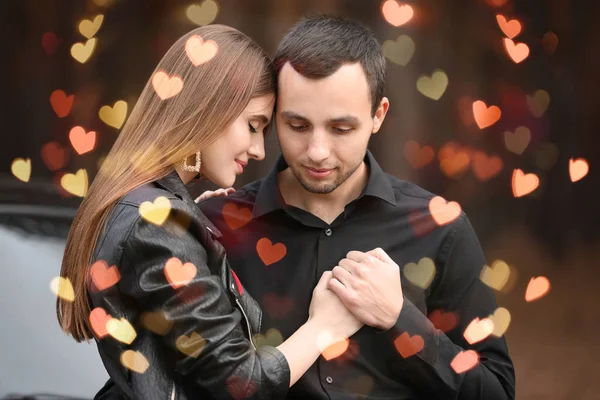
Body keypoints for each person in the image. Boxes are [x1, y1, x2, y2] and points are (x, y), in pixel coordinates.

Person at [197, 16, 516, 399]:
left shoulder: (440, 228)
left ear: (377, 115)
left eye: (341, 129)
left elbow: (496, 391)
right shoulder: (219, 226)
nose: (317, 151)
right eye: (297, 126)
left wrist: (400, 319)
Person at [56, 24, 363, 400]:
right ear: (209, 108)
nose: (258, 151)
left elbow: (158, 362)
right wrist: (324, 326)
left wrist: (192, 231)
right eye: (252, 126)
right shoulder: (157, 224)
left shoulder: (148, 209)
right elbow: (242, 386)